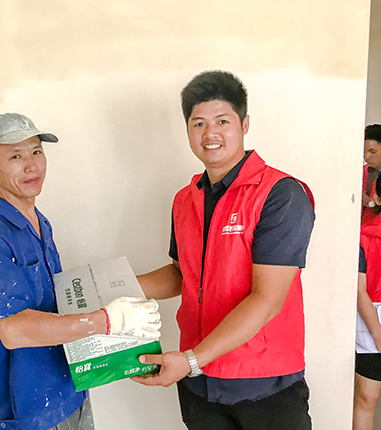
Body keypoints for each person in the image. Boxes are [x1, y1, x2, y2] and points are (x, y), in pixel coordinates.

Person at [0, 112, 161, 430]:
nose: (31, 165)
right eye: (16, 156)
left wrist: (122, 337)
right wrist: (107, 321)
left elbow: (57, 303)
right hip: (33, 407)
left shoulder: (37, 221)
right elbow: (12, 330)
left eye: (36, 151)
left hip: (71, 384)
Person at [131, 71, 315, 430]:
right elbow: (181, 274)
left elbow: (268, 299)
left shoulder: (280, 194)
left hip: (264, 383)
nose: (209, 133)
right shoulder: (185, 199)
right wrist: (113, 286)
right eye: (198, 123)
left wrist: (191, 360)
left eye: (222, 121)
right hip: (199, 385)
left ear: (244, 124)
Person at [353, 176, 381, 430]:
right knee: (367, 397)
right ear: (377, 198)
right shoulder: (362, 237)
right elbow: (360, 291)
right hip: (372, 321)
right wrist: (378, 334)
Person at [362, 124, 381, 224]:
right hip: (361, 228)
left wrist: (370, 203)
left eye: (372, 151)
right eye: (364, 152)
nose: (366, 157)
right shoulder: (361, 172)